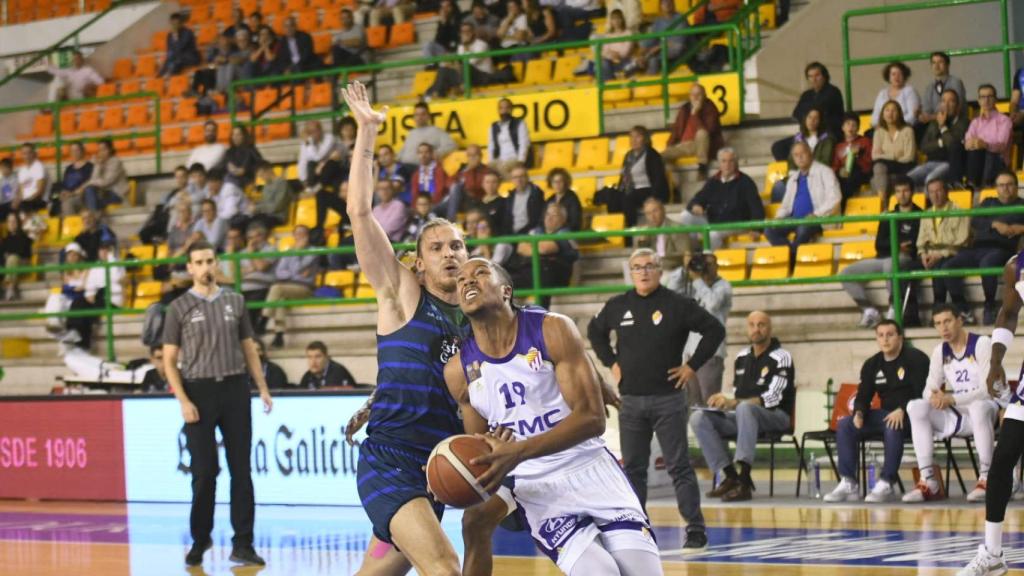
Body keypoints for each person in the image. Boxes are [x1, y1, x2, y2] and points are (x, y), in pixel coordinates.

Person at [339, 81, 508, 576]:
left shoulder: (479, 318)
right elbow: (358, 212)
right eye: (438, 247)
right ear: (417, 262)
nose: (451, 253)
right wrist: (367, 131)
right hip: (391, 460)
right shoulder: (402, 294)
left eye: (457, 245)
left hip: (440, 464)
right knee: (443, 566)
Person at [449, 257, 665, 574]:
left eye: (481, 273)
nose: (468, 280)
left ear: (506, 290)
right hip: (537, 486)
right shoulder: (458, 370)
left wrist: (518, 450)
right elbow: (481, 450)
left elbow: (592, 418)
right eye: (461, 280)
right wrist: (457, 471)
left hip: (589, 466)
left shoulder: (551, 328)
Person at [588, 247, 722, 549]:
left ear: (660, 271)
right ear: (630, 272)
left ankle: (696, 528)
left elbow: (715, 329)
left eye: (649, 266)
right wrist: (611, 362)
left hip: (669, 399)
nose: (644, 272)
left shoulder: (677, 304)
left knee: (679, 466)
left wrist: (692, 367)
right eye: (637, 267)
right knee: (634, 468)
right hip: (631, 401)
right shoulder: (618, 305)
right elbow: (594, 331)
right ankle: (637, 529)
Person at [162, 239, 273, 567]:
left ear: (217, 263)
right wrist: (182, 399)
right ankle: (200, 539)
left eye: (210, 260)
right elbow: (169, 361)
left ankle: (243, 544)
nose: (206, 267)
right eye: (199, 262)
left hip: (236, 389)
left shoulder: (235, 301)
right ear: (190, 268)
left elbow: (249, 347)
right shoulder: (178, 308)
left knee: (242, 470)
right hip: (198, 392)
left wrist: (263, 388)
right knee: (204, 472)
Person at [953, 250, 1024, 576]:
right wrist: (995, 362)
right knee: (1001, 463)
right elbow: (1009, 313)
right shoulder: (1017, 266)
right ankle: (993, 553)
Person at [690, 310, 795, 502]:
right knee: (699, 418)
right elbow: (739, 395)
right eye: (752, 325)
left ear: (770, 329)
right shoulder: (742, 357)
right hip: (744, 417)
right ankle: (731, 476)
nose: (756, 329)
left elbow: (774, 397)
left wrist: (736, 403)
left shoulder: (782, 357)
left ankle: (745, 480)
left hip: (776, 417)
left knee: (745, 409)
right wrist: (722, 402)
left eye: (761, 324)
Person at [823, 319, 929, 503]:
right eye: (880, 335)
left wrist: (902, 409)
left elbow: (921, 391)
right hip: (885, 415)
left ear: (900, 337)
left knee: (891, 423)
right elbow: (864, 394)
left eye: (890, 335)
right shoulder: (872, 364)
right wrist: (859, 412)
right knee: (845, 424)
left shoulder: (916, 358)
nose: (885, 339)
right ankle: (849, 482)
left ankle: (887, 481)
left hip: (915, 416)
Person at [901, 304, 998, 503]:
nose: (943, 328)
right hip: (959, 412)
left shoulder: (982, 343)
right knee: (915, 406)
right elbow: (928, 388)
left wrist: (951, 399)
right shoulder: (940, 351)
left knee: (978, 407)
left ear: (960, 320)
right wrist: (934, 398)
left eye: (947, 321)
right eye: (938, 323)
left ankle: (987, 478)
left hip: (990, 408)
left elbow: (986, 390)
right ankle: (929, 481)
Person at [943, 170, 1024, 325]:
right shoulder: (988, 202)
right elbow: (974, 221)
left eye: (1009, 184)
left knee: (987, 262)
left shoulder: (1021, 204)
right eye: (1001, 185)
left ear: (1016, 186)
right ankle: (963, 310)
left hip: (1002, 249)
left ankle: (989, 306)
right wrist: (995, 224)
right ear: (996, 188)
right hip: (977, 248)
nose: (1005, 188)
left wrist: (1020, 228)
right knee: (948, 266)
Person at [839, 176, 922, 328]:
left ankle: (894, 308)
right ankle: (869, 310)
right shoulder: (887, 216)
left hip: (906, 258)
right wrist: (897, 245)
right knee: (846, 273)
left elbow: (915, 244)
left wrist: (896, 247)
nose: (902, 195)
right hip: (883, 257)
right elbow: (879, 245)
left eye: (905, 191)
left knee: (892, 264)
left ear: (912, 192)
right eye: (898, 191)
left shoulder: (920, 215)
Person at [765, 141, 841, 258]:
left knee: (803, 228)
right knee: (769, 229)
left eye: (802, 153)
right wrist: (778, 218)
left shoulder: (825, 172)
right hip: (794, 220)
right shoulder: (793, 179)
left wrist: (816, 214)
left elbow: (835, 197)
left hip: (817, 220)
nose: (799, 157)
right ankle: (792, 255)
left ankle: (791, 258)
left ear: (810, 153)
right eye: (796, 155)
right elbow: (785, 206)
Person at [679, 147, 763, 250]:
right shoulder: (713, 181)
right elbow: (699, 198)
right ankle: (695, 252)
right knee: (685, 216)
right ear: (719, 163)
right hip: (714, 222)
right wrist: (696, 205)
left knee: (712, 234)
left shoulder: (746, 182)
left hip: (737, 224)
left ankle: (708, 262)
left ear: (736, 163)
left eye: (731, 161)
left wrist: (757, 229)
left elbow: (756, 208)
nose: (727, 165)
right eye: (724, 161)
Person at [913, 179, 970, 319]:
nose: (935, 195)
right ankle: (910, 315)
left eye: (938, 191)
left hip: (954, 253)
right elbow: (921, 241)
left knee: (942, 267)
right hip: (931, 255)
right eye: (931, 192)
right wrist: (923, 255)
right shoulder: (926, 214)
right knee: (904, 268)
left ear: (946, 192)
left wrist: (940, 254)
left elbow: (961, 241)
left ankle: (957, 309)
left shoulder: (960, 211)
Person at [680, 252, 731, 406]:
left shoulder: (723, 286)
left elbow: (711, 304)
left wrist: (697, 281)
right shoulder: (694, 286)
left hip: (711, 354)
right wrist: (685, 268)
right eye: (703, 264)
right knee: (692, 404)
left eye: (709, 264)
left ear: (717, 266)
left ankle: (712, 431)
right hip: (691, 354)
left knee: (710, 402)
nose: (705, 268)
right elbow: (671, 288)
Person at [507, 202, 578, 308]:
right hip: (531, 272)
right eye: (547, 214)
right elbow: (521, 247)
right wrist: (538, 248)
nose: (549, 218)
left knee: (542, 271)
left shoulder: (565, 233)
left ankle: (542, 316)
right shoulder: (537, 230)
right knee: (506, 280)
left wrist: (532, 246)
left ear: (563, 219)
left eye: (554, 215)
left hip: (556, 275)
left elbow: (545, 249)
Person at [771, 62, 845, 161]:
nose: (814, 79)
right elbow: (796, 113)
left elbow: (819, 110)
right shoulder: (807, 95)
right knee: (778, 147)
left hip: (827, 134)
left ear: (824, 76)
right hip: (808, 134)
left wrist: (809, 113)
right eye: (810, 76)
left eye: (817, 75)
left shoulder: (833, 92)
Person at [263, 225, 319, 349]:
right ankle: (279, 335)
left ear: (308, 236)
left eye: (303, 233)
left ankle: (264, 319)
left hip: (304, 288)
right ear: (293, 236)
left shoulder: (313, 251)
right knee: (280, 301)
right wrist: (295, 274)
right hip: (288, 287)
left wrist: (297, 253)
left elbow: (296, 268)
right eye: (297, 233)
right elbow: (279, 272)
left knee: (276, 288)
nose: (300, 236)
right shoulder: (288, 251)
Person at [908, 89, 968, 189]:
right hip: (930, 163)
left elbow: (953, 144)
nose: (946, 105)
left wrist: (943, 127)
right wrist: (941, 142)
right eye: (943, 101)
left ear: (957, 106)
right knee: (907, 180)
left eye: (951, 101)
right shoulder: (935, 123)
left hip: (949, 164)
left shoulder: (963, 123)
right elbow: (924, 147)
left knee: (930, 180)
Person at [423, 22, 499, 99]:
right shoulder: (461, 47)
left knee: (464, 67)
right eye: (463, 32)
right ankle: (433, 94)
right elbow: (458, 64)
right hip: (466, 77)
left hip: (482, 76)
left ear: (473, 32)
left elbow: (469, 63)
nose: (466, 34)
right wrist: (449, 64)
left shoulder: (481, 45)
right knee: (443, 70)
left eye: (468, 31)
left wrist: (465, 45)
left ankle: (462, 89)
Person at [663, 83, 724, 174]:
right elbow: (676, 130)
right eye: (693, 95)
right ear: (689, 96)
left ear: (704, 96)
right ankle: (673, 184)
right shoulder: (684, 108)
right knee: (659, 157)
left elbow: (708, 131)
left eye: (698, 94)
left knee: (701, 133)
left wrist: (695, 114)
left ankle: (702, 167)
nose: (695, 97)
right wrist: (669, 146)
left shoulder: (710, 108)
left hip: (703, 145)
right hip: (684, 146)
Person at [619, 125, 669, 229]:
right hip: (632, 190)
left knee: (629, 199)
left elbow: (659, 179)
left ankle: (631, 230)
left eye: (637, 136)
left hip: (648, 189)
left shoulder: (652, 155)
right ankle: (616, 232)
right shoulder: (628, 156)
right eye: (631, 137)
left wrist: (654, 196)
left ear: (645, 138)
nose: (634, 140)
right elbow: (623, 177)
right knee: (614, 198)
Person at [965, 84, 1013, 189]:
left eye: (990, 96)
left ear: (995, 99)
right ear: (978, 101)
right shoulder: (975, 122)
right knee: (966, 149)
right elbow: (967, 142)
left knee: (985, 151)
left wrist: (985, 144)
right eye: (983, 97)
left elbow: (1001, 146)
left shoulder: (1004, 120)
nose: (986, 100)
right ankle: (969, 185)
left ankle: (975, 185)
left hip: (997, 160)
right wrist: (972, 143)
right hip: (978, 159)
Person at [871, 100, 916, 201]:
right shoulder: (878, 132)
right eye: (887, 110)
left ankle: (883, 207)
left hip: (904, 167)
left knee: (876, 179)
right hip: (887, 170)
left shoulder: (908, 131)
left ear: (899, 114)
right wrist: (895, 155)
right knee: (878, 168)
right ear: (882, 114)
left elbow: (909, 157)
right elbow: (875, 156)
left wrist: (884, 155)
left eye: (894, 111)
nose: (890, 114)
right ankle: (885, 205)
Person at [633, 197, 689, 278]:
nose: (652, 216)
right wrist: (642, 242)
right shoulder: (645, 231)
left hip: (672, 269)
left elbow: (686, 254)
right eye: (648, 213)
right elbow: (638, 256)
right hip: (651, 270)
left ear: (663, 210)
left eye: (655, 211)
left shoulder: (677, 228)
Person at [239, 222, 276, 330]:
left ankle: (253, 337)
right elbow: (237, 272)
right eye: (250, 237)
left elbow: (261, 267)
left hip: (262, 287)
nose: (254, 240)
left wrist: (252, 254)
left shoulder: (271, 249)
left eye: (257, 236)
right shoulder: (242, 252)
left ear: (264, 236)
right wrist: (253, 267)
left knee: (249, 309)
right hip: (243, 288)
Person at [831, 113, 873, 208]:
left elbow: (869, 163)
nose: (850, 127)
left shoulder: (865, 141)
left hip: (860, 173)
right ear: (842, 127)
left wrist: (858, 156)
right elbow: (835, 165)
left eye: (854, 125)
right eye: (848, 124)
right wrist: (839, 171)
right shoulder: (838, 146)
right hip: (843, 175)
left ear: (858, 128)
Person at [917, 51, 966, 127]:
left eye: (940, 62)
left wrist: (932, 117)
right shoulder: (929, 87)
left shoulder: (956, 82)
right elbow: (926, 110)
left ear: (947, 65)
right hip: (934, 124)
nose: (936, 66)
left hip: (954, 123)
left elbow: (956, 109)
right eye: (934, 63)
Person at [638, 0, 686, 75]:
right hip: (661, 50)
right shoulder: (658, 21)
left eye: (669, 2)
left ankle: (652, 83)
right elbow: (649, 40)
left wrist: (658, 47)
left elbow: (678, 45)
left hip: (679, 51)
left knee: (653, 59)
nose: (667, 4)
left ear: (674, 4)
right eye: (664, 2)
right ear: (660, 6)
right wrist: (641, 54)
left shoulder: (680, 19)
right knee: (636, 60)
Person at [81, 139, 128, 212]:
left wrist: (89, 183)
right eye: (99, 150)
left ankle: (93, 216)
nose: (101, 152)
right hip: (103, 193)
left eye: (104, 149)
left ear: (110, 149)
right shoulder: (100, 162)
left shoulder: (116, 162)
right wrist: (97, 165)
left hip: (116, 195)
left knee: (92, 198)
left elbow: (106, 182)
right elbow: (94, 179)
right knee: (89, 190)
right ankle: (93, 215)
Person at [488, 98, 531, 176]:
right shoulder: (493, 127)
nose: (504, 111)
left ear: (511, 110)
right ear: (498, 110)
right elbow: (491, 146)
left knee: (502, 168)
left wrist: (520, 161)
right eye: (501, 108)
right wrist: (491, 161)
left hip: (515, 159)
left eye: (507, 108)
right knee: (487, 170)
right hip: (500, 159)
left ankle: (512, 185)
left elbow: (524, 143)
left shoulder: (519, 123)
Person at [870, 61, 920, 128]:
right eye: (893, 74)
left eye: (900, 74)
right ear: (889, 77)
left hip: (904, 128)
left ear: (904, 76)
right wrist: (883, 126)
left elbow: (912, 117)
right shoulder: (882, 93)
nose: (896, 77)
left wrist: (894, 125)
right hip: (884, 129)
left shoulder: (910, 91)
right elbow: (874, 117)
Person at [502, 162, 544, 235]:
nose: (519, 180)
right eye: (515, 177)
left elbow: (537, 219)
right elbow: (507, 220)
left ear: (527, 178)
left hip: (529, 232)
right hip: (512, 234)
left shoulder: (536, 194)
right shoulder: (510, 197)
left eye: (522, 176)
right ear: (512, 180)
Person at [56, 141, 94, 217]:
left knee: (67, 203)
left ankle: (72, 227)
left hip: (81, 196)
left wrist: (72, 193)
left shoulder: (89, 167)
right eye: (72, 151)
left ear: (82, 151)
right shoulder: (68, 168)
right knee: (54, 203)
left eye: (77, 150)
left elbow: (89, 184)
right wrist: (63, 192)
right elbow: (64, 185)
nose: (75, 153)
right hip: (68, 196)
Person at [251, 162, 293, 231]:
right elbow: (265, 202)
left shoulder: (281, 183)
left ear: (269, 170)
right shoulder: (266, 185)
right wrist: (255, 204)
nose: (262, 178)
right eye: (260, 176)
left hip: (277, 217)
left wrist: (257, 208)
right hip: (267, 215)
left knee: (258, 225)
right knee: (246, 221)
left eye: (262, 175)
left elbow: (277, 206)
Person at [0, 213, 32, 301]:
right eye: (9, 221)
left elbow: (23, 253)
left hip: (23, 263)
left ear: (18, 223)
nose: (11, 224)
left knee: (12, 258)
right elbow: (3, 254)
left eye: (13, 221)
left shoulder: (24, 237)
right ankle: (8, 287)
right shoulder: (5, 239)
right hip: (9, 265)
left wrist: (9, 254)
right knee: (10, 259)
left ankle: (9, 287)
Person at [159, 13, 201, 77]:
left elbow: (180, 47)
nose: (174, 26)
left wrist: (175, 36)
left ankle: (171, 78)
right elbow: (169, 50)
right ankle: (159, 78)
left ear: (181, 23)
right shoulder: (170, 35)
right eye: (172, 24)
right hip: (177, 58)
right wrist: (169, 57)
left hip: (190, 57)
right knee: (167, 62)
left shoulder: (187, 33)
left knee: (175, 62)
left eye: (176, 23)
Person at [545, 167, 582, 231]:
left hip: (567, 230)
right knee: (536, 231)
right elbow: (543, 218)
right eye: (555, 182)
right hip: (551, 229)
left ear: (565, 182)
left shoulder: (572, 198)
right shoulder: (550, 200)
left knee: (562, 233)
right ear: (551, 183)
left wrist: (557, 227)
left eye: (560, 181)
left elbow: (575, 221)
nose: (557, 184)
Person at [15, 143, 48, 213]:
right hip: (25, 202)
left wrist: (28, 199)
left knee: (23, 207)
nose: (27, 156)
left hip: (38, 200)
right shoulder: (21, 171)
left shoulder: (39, 167)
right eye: (24, 153)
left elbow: (40, 191)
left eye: (29, 153)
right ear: (22, 155)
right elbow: (21, 192)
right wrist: (17, 200)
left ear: (33, 154)